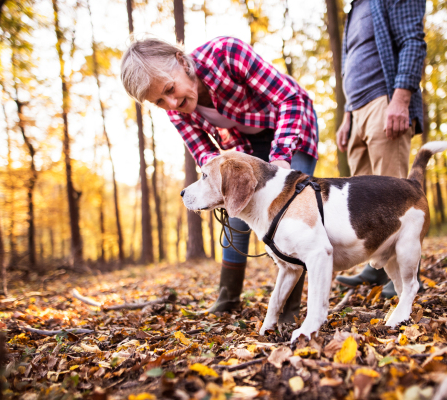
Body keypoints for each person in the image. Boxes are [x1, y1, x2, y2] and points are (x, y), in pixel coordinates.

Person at [120, 36, 318, 322]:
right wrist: (222, 193)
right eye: (159, 101)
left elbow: (290, 98)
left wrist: (280, 159)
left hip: (293, 126)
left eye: (170, 90)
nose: (172, 103)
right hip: (246, 148)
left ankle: (289, 309)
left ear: (182, 61)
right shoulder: (178, 115)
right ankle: (228, 297)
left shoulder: (227, 54)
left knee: (291, 211)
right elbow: (207, 159)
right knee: (235, 209)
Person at [334, 0, 427, 297]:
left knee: (395, 196)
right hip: (357, 112)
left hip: (384, 102)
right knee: (361, 204)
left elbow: (412, 41)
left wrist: (400, 100)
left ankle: (404, 278)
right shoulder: (354, 9)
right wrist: (347, 117)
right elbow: (352, 65)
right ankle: (375, 269)